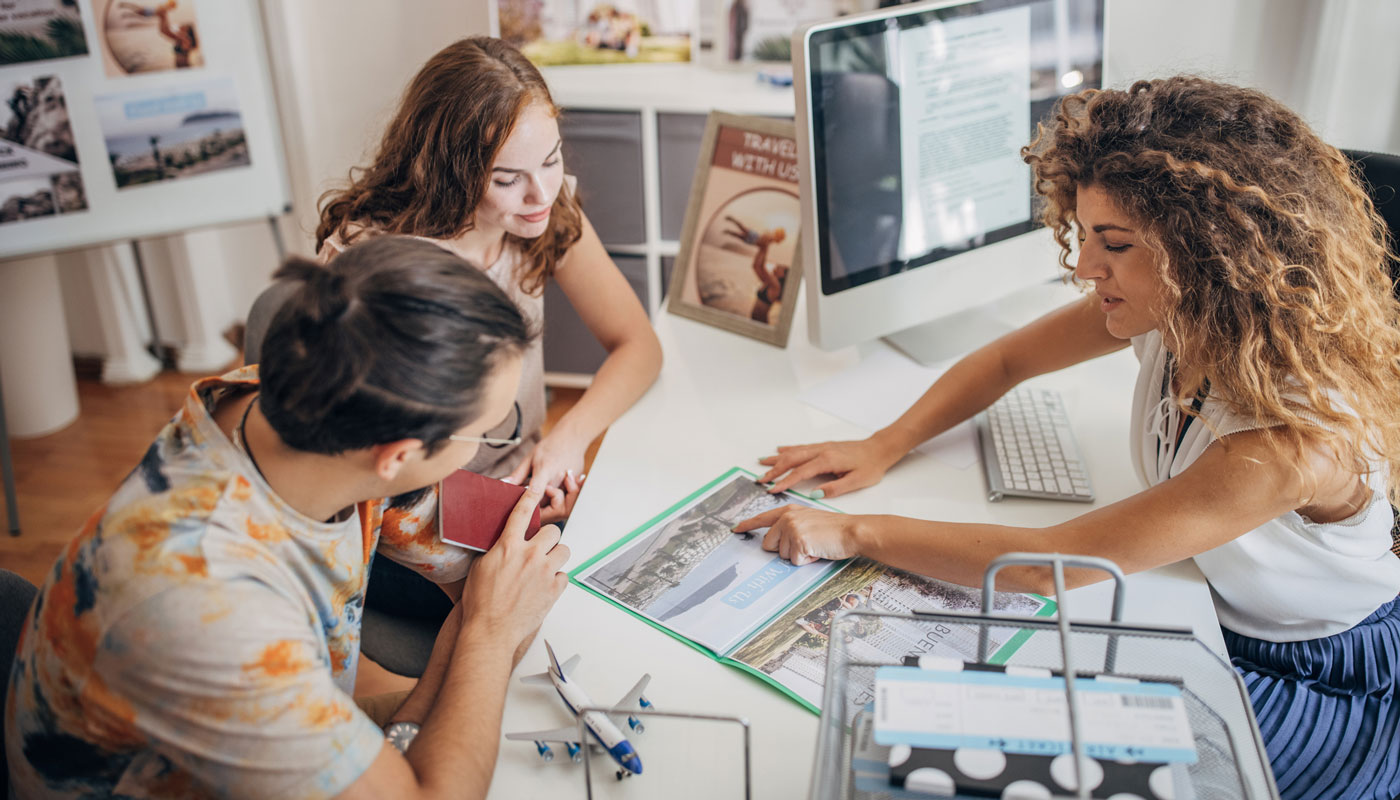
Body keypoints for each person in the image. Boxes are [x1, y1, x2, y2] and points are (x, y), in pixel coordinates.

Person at [734, 76, 1400, 800]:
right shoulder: (1167, 311)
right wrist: (884, 444)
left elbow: (1054, 563)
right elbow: (1006, 358)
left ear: (1206, 253)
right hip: (1208, 612)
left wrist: (853, 532)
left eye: (1112, 244)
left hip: (1315, 672)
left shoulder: (1288, 441)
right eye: (1083, 235)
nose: (1085, 268)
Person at [5, 237, 570, 799]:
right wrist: (488, 634)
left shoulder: (313, 397)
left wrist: (502, 576)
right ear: (396, 454)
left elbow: (470, 561)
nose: (488, 448)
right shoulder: (205, 605)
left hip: (276, 720)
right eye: (487, 433)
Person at [722, 217, 788, 322]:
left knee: (742, 234)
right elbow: (756, 266)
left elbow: (760, 267)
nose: (778, 265)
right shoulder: (768, 283)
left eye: (781, 267)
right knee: (742, 233)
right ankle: (732, 225)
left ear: (783, 275)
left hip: (761, 324)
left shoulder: (776, 285)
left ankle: (732, 227)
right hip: (754, 321)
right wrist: (763, 248)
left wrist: (764, 248)